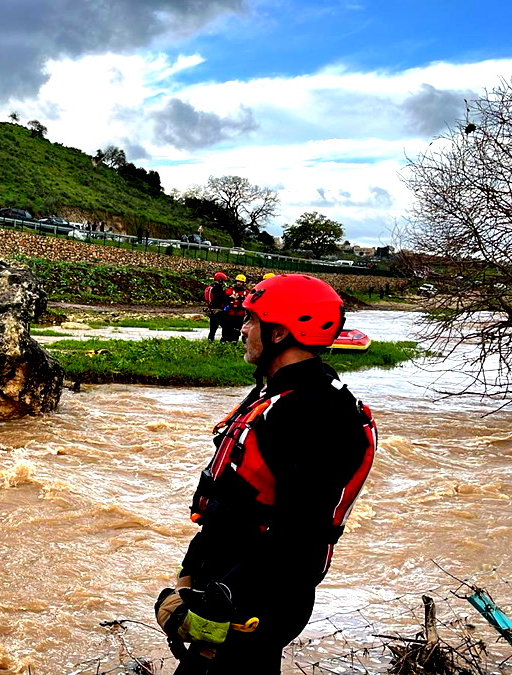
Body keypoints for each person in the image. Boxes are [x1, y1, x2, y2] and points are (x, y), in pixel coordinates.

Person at [154, 273, 377, 674]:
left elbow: (300, 534)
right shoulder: (278, 394)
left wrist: (223, 595)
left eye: (252, 321)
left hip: (259, 595)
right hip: (231, 575)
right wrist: (192, 572)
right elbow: (235, 501)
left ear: (278, 333)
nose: (242, 329)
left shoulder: (316, 414)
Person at [220, 274, 248, 342]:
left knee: (237, 329)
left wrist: (242, 299)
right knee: (227, 328)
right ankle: (224, 340)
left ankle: (234, 341)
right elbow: (223, 299)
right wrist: (230, 298)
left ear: (243, 283)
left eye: (241, 282)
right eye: (238, 281)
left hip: (240, 314)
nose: (239, 283)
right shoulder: (229, 291)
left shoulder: (246, 292)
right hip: (229, 313)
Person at [204, 272, 230, 341]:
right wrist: (230, 298)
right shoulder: (218, 288)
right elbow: (222, 298)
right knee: (226, 326)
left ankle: (210, 341)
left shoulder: (211, 287)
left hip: (211, 310)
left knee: (213, 328)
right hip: (218, 310)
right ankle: (223, 341)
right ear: (220, 280)